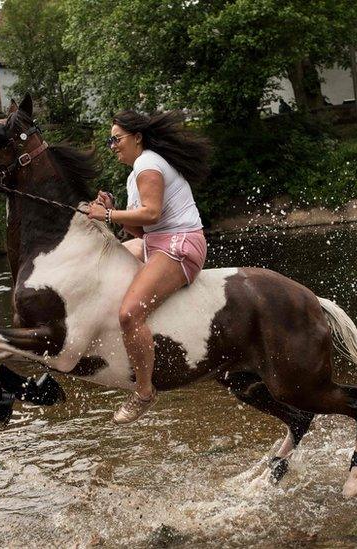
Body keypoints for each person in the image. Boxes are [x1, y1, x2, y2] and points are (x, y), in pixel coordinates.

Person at [87, 110, 211, 424]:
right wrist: (114, 210)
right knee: (107, 264)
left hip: (180, 245)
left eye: (116, 139)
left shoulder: (148, 163)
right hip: (156, 243)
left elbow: (152, 213)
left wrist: (108, 217)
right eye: (109, 140)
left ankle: (144, 392)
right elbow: (142, 231)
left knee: (129, 313)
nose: (112, 145)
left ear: (137, 137)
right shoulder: (136, 173)